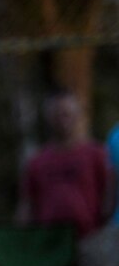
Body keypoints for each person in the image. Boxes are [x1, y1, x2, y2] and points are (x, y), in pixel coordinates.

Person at [19, 92, 114, 239]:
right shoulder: (37, 162)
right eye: (57, 115)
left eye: (67, 114)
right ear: (48, 118)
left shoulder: (97, 154)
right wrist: (22, 236)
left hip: (90, 239)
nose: (63, 120)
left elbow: (109, 196)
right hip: (49, 241)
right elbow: (28, 204)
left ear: (78, 115)